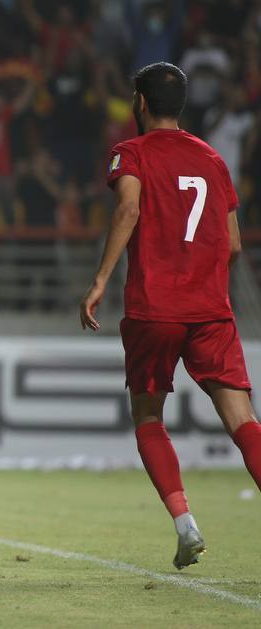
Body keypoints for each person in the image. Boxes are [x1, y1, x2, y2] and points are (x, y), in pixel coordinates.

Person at [80, 62, 261, 570]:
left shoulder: (131, 152)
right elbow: (233, 244)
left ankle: (186, 525)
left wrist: (100, 280)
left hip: (154, 308)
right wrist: (199, 276)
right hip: (210, 311)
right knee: (243, 420)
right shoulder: (212, 159)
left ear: (139, 102)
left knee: (148, 416)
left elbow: (128, 209)